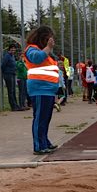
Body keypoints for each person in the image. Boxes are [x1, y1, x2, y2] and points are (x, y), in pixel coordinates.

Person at [24, 25, 59, 155]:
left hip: (49, 90)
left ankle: (44, 141)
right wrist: (48, 48)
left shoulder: (46, 53)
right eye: (49, 39)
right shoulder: (31, 49)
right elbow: (37, 58)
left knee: (45, 118)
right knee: (40, 118)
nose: (51, 42)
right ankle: (38, 145)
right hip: (39, 89)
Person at [1, 45, 22, 111]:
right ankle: (13, 106)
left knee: (13, 90)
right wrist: (6, 72)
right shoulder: (7, 56)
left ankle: (16, 105)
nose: (13, 51)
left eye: (14, 50)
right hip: (8, 74)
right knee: (10, 91)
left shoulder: (12, 56)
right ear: (9, 50)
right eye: (12, 50)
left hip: (12, 74)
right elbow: (3, 65)